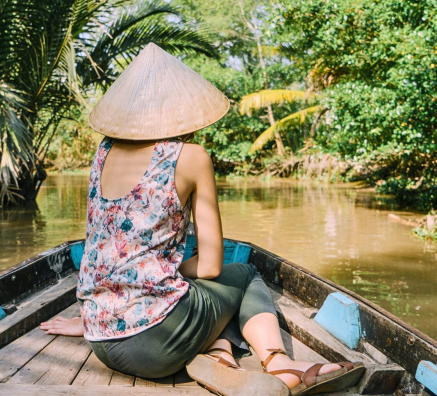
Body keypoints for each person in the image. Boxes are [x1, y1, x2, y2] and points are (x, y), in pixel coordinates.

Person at [40, 43, 364, 395]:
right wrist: (160, 270)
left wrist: (135, 278)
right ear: (180, 109)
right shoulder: (189, 157)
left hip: (101, 339)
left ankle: (220, 358)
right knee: (242, 275)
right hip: (156, 344)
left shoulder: (102, 152)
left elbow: (107, 246)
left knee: (206, 293)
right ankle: (277, 361)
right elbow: (210, 266)